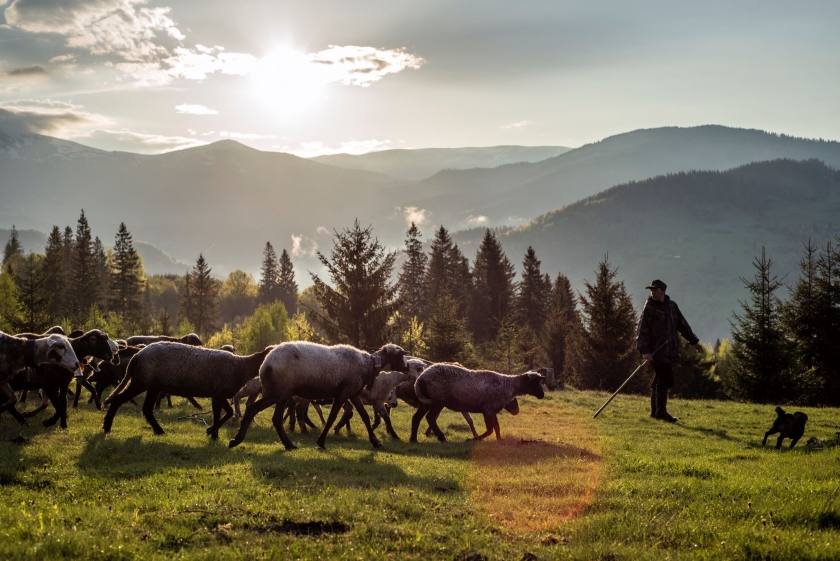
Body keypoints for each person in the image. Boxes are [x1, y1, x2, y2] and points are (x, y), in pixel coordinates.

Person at [636, 279, 702, 422]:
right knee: (667, 378)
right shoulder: (649, 307)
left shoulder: (672, 306)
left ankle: (655, 413)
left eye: (655, 290)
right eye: (651, 290)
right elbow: (642, 330)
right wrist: (644, 351)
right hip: (656, 351)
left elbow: (682, 325)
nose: (652, 292)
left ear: (663, 291)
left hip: (669, 350)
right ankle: (661, 412)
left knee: (660, 379)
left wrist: (694, 342)